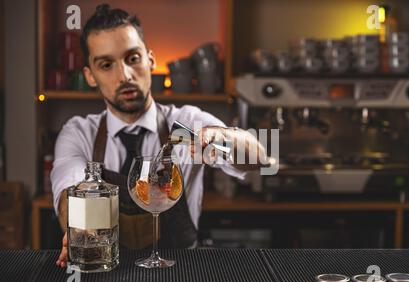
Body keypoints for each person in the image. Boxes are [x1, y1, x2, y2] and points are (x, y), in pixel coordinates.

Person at [53, 4, 267, 268]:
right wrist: (79, 228)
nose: (125, 75)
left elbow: (259, 156)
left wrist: (223, 138)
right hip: (106, 274)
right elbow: (68, 191)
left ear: (150, 60)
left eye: (133, 58)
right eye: (106, 64)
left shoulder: (185, 124)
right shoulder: (80, 133)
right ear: (90, 76)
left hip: (183, 273)